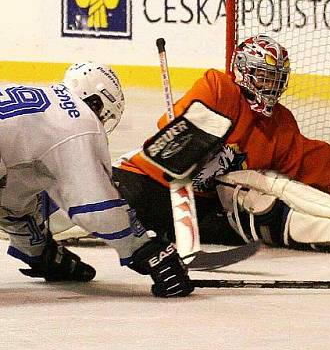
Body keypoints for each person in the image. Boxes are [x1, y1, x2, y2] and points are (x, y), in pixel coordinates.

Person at [113, 35, 330, 256]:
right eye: (264, 78)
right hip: (146, 186)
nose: (271, 87)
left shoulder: (278, 123)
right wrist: (198, 148)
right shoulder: (218, 88)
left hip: (204, 209)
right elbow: (167, 139)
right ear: (244, 73)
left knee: (264, 203)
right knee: (113, 207)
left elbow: (311, 163)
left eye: (276, 80)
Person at [0, 62, 193, 298]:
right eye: (104, 114)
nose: (101, 120)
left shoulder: (45, 106)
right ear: (96, 101)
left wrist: (40, 252)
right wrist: (147, 250)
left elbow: (13, 197)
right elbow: (96, 207)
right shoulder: (79, 122)